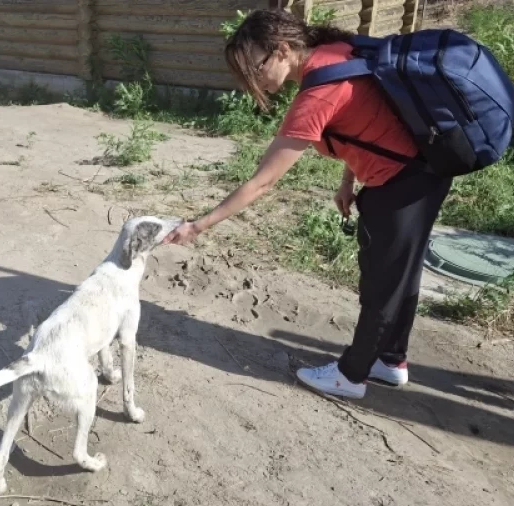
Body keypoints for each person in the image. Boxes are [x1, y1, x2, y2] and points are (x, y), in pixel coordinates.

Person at [162, 9, 453, 399]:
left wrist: (197, 226)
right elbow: (363, 119)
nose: (254, 79)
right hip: (418, 171)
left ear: (283, 50)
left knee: (383, 281)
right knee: (401, 271)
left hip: (404, 181)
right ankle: (391, 360)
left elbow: (261, 183)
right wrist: (348, 179)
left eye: (256, 66)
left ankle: (351, 376)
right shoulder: (333, 52)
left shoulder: (315, 95)